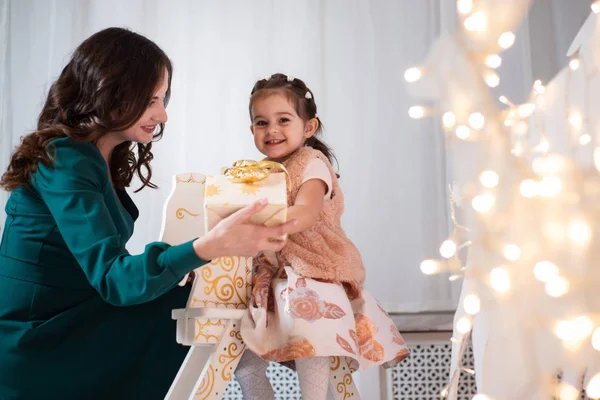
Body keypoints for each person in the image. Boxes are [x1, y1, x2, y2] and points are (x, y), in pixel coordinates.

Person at [0, 28, 296, 400]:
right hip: (40, 344)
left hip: (70, 324)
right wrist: (206, 247)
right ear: (112, 92)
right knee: (185, 309)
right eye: (152, 99)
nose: (163, 114)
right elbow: (114, 278)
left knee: (194, 300)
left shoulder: (98, 157)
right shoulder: (67, 160)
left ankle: (270, 355)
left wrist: (186, 261)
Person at [234, 73, 409, 400]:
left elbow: (304, 213)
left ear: (308, 127)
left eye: (283, 120)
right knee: (244, 360)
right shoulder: (260, 171)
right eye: (261, 122)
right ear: (252, 130)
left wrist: (255, 220)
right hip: (274, 271)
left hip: (314, 266)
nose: (272, 129)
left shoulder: (311, 164)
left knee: (311, 338)